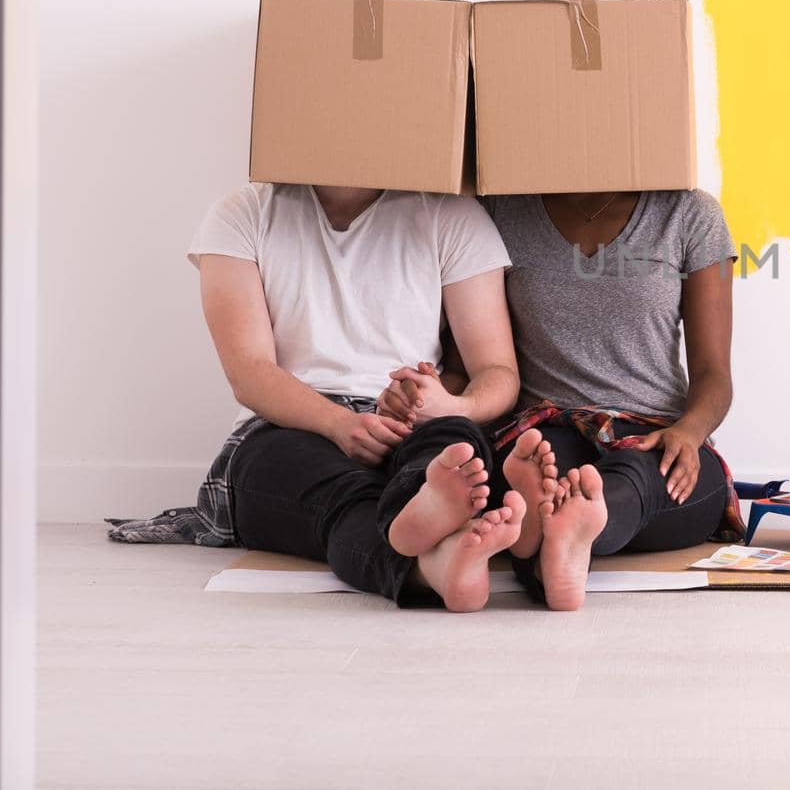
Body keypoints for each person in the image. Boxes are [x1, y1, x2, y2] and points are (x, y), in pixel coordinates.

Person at [110, 182, 526, 612]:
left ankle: (424, 518)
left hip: (413, 424)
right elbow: (249, 373)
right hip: (289, 424)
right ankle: (428, 559)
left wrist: (450, 404)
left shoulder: (453, 215)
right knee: (342, 495)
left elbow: (497, 373)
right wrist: (338, 424)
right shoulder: (243, 213)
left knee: (453, 437)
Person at [379, 187, 740, 611]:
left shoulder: (689, 213)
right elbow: (471, 363)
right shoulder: (500, 208)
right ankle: (559, 530)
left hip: (653, 430)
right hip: (542, 430)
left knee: (645, 475)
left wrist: (690, 430)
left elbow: (714, 374)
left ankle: (564, 527)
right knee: (544, 472)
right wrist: (432, 397)